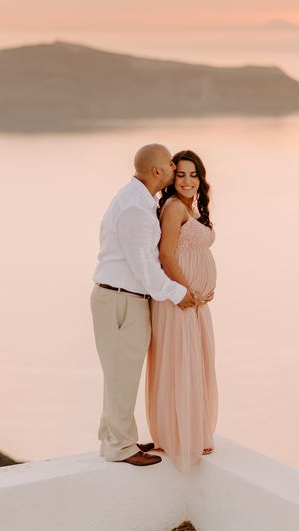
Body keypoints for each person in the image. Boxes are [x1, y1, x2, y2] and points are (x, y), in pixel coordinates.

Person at [91, 144, 196, 467]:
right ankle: (121, 447)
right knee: (122, 374)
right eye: (168, 163)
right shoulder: (135, 207)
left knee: (120, 373)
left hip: (122, 296)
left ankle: (117, 438)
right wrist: (177, 293)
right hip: (122, 297)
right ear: (156, 171)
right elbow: (145, 267)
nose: (172, 166)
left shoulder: (138, 200)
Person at [146, 150, 218, 472]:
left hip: (193, 302)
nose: (188, 181)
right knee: (181, 364)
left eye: (193, 175)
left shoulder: (191, 208)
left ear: (200, 178)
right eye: (181, 175)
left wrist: (202, 288)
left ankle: (191, 432)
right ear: (172, 179)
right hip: (179, 302)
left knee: (193, 363)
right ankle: (179, 436)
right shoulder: (174, 208)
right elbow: (166, 255)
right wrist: (187, 291)